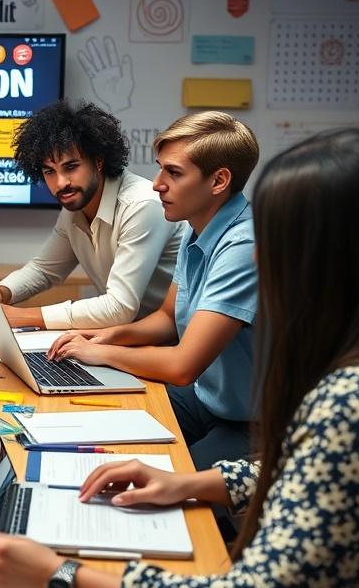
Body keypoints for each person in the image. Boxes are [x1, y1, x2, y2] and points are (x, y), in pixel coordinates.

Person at [0, 127, 359, 588]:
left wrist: (62, 577)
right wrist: (191, 483)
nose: (260, 260)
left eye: (279, 240)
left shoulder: (358, 403)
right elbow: (298, 467)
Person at [51, 111, 259, 469]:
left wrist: (100, 353)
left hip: (249, 424)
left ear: (219, 181)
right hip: (203, 400)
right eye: (160, 168)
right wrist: (107, 336)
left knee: (168, 497)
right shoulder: (199, 227)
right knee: (88, 438)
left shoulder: (242, 246)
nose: (157, 184)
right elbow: (166, 318)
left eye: (173, 173)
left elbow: (182, 366)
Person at [0, 100, 183, 330]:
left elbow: (120, 308)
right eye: (49, 171)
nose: (61, 183)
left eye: (71, 167)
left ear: (98, 162)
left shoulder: (141, 205)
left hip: (169, 343)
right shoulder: (75, 207)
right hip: (125, 338)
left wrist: (20, 317)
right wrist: (0, 293)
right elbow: (44, 270)